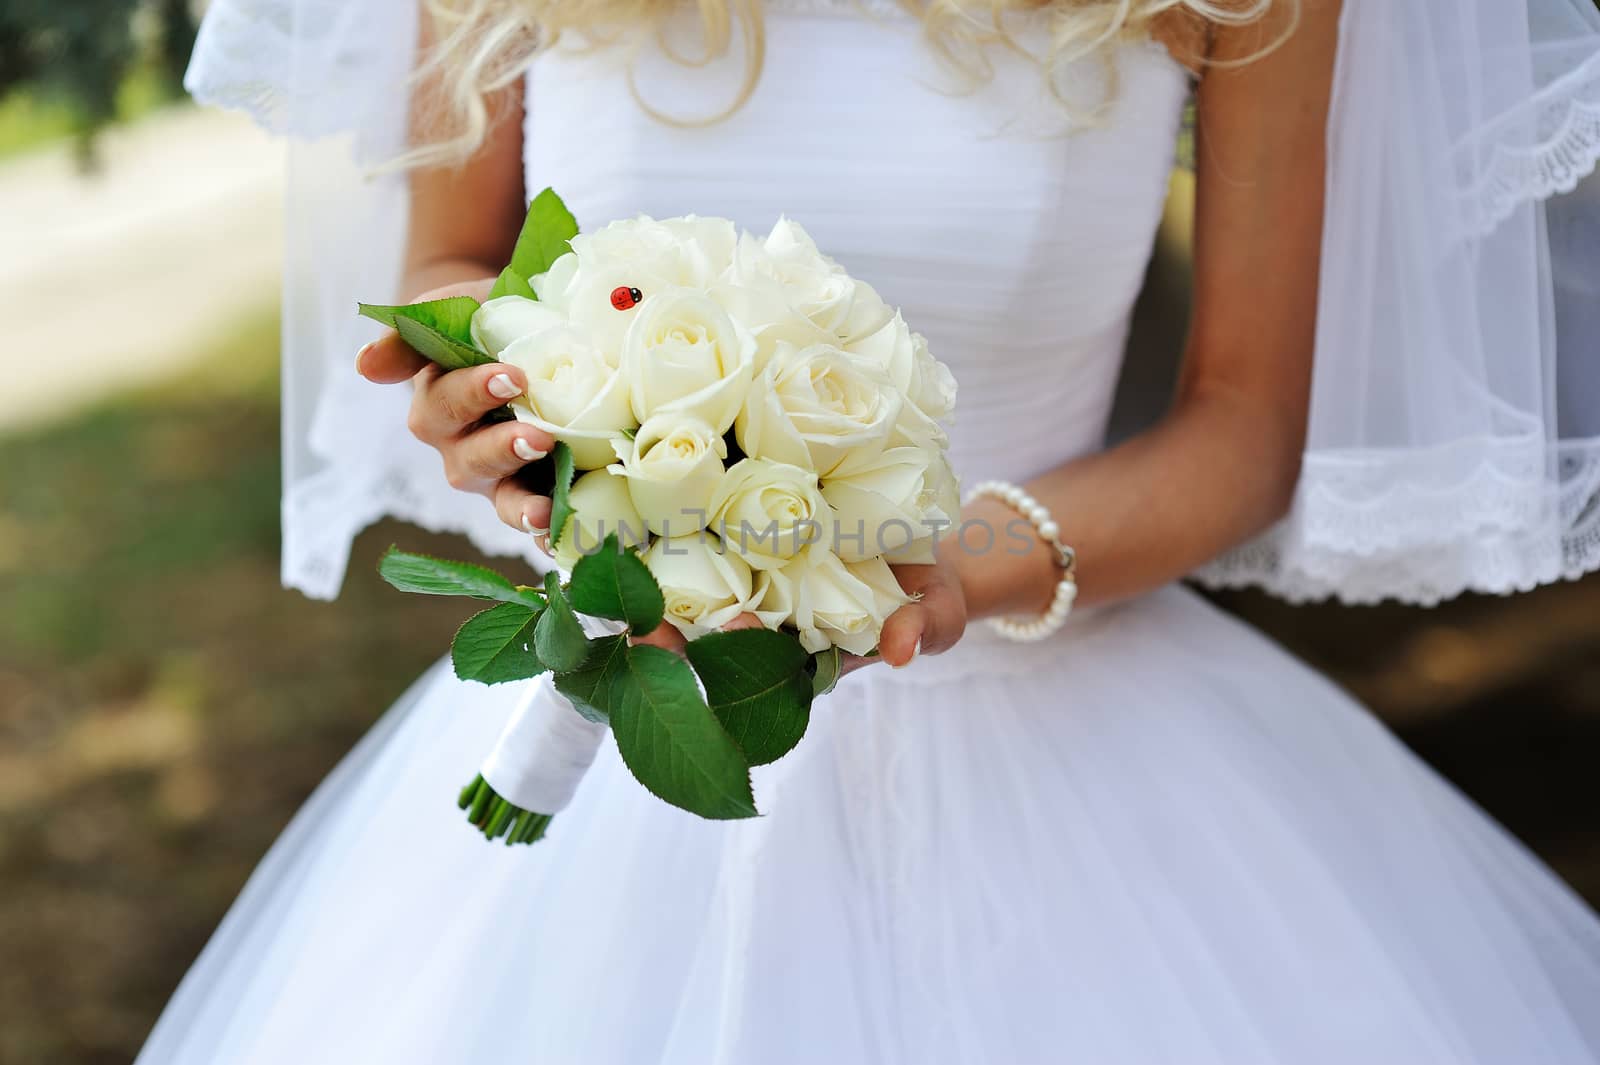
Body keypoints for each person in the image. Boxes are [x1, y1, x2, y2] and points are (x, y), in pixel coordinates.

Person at [139, 0, 1600, 1061]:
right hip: (615, 724)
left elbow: (1242, 425)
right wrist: (505, 410)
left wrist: (936, 576)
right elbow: (452, 267)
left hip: (1069, 748)